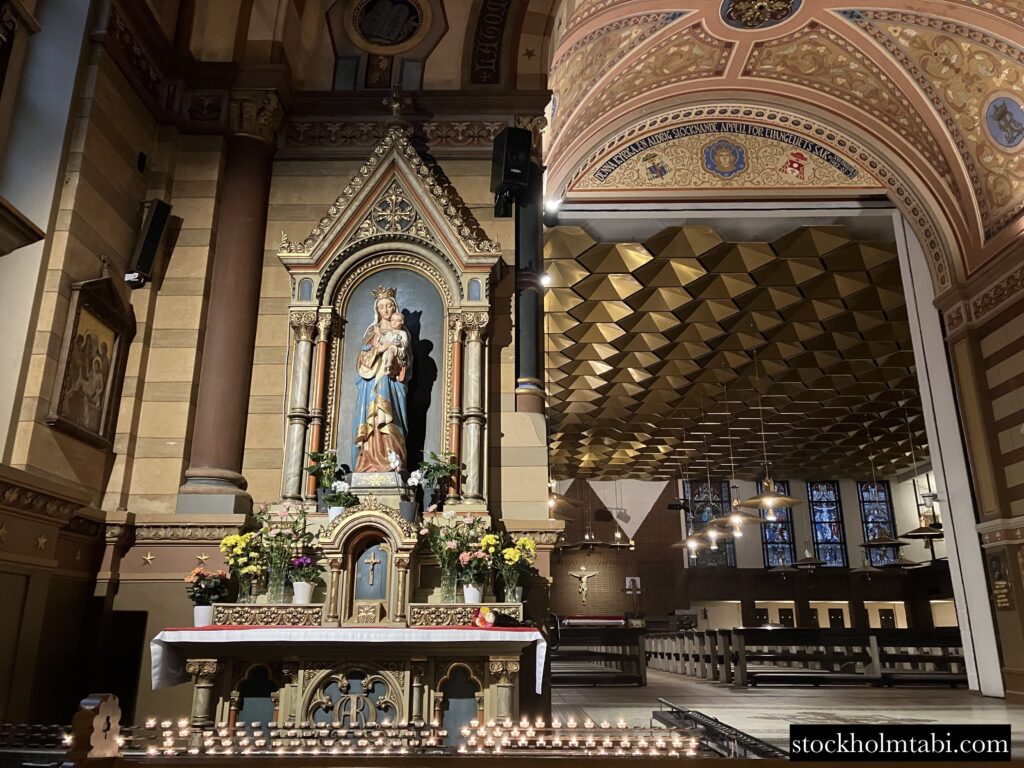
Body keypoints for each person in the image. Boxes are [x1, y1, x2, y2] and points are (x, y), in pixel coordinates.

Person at [352, 286, 413, 472]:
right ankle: (369, 463)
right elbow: (362, 359)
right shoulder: (372, 331)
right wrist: (380, 348)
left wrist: (397, 356)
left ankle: (393, 461)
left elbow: (408, 361)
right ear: (377, 310)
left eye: (389, 306)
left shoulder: (403, 332)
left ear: (395, 308)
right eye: (381, 307)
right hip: (371, 384)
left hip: (392, 383)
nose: (386, 310)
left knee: (389, 419)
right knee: (373, 420)